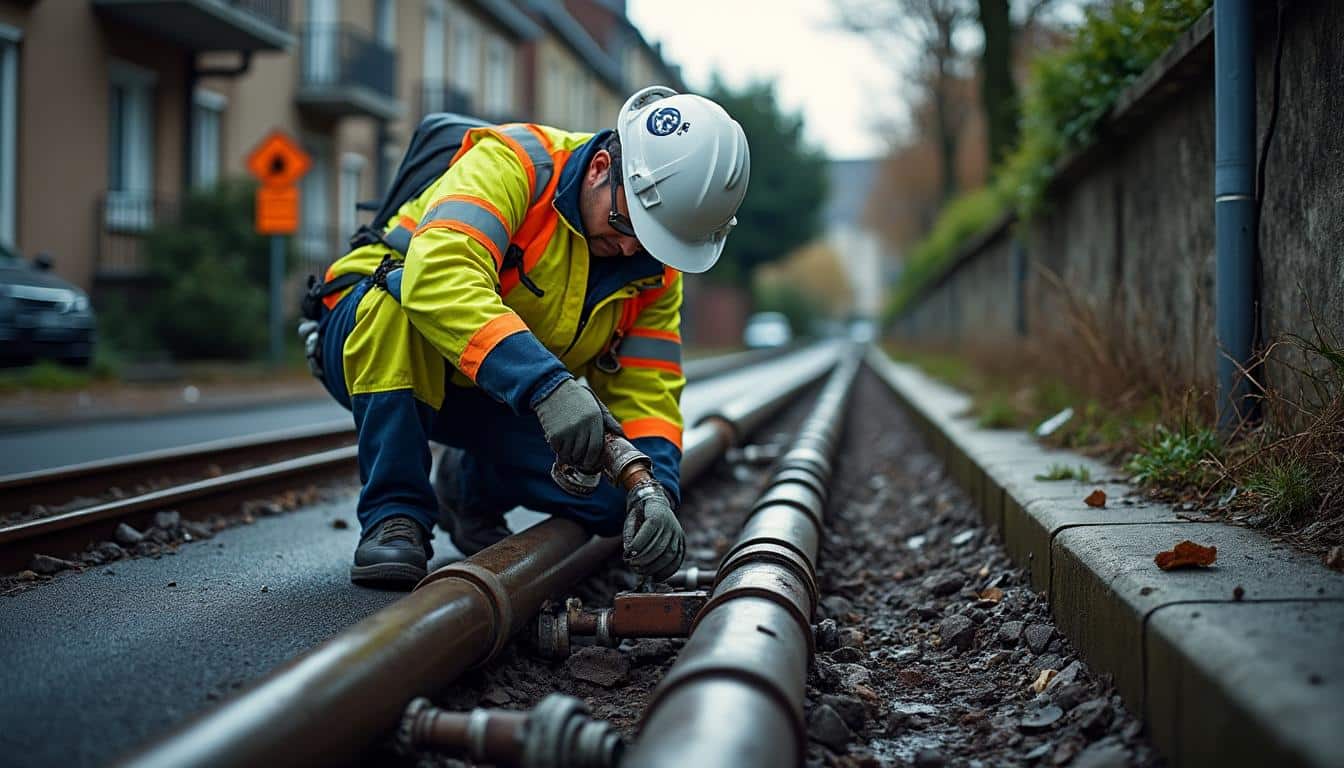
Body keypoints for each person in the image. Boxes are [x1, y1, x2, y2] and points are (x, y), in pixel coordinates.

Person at [302, 86, 751, 587]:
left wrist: (654, 490)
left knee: (610, 506)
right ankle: (395, 515)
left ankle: (467, 486)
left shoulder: (654, 274)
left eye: (651, 239)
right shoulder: (516, 163)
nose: (629, 247)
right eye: (628, 222)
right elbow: (436, 278)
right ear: (601, 167)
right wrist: (546, 386)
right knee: (399, 297)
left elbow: (647, 391)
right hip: (369, 338)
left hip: (493, 385)